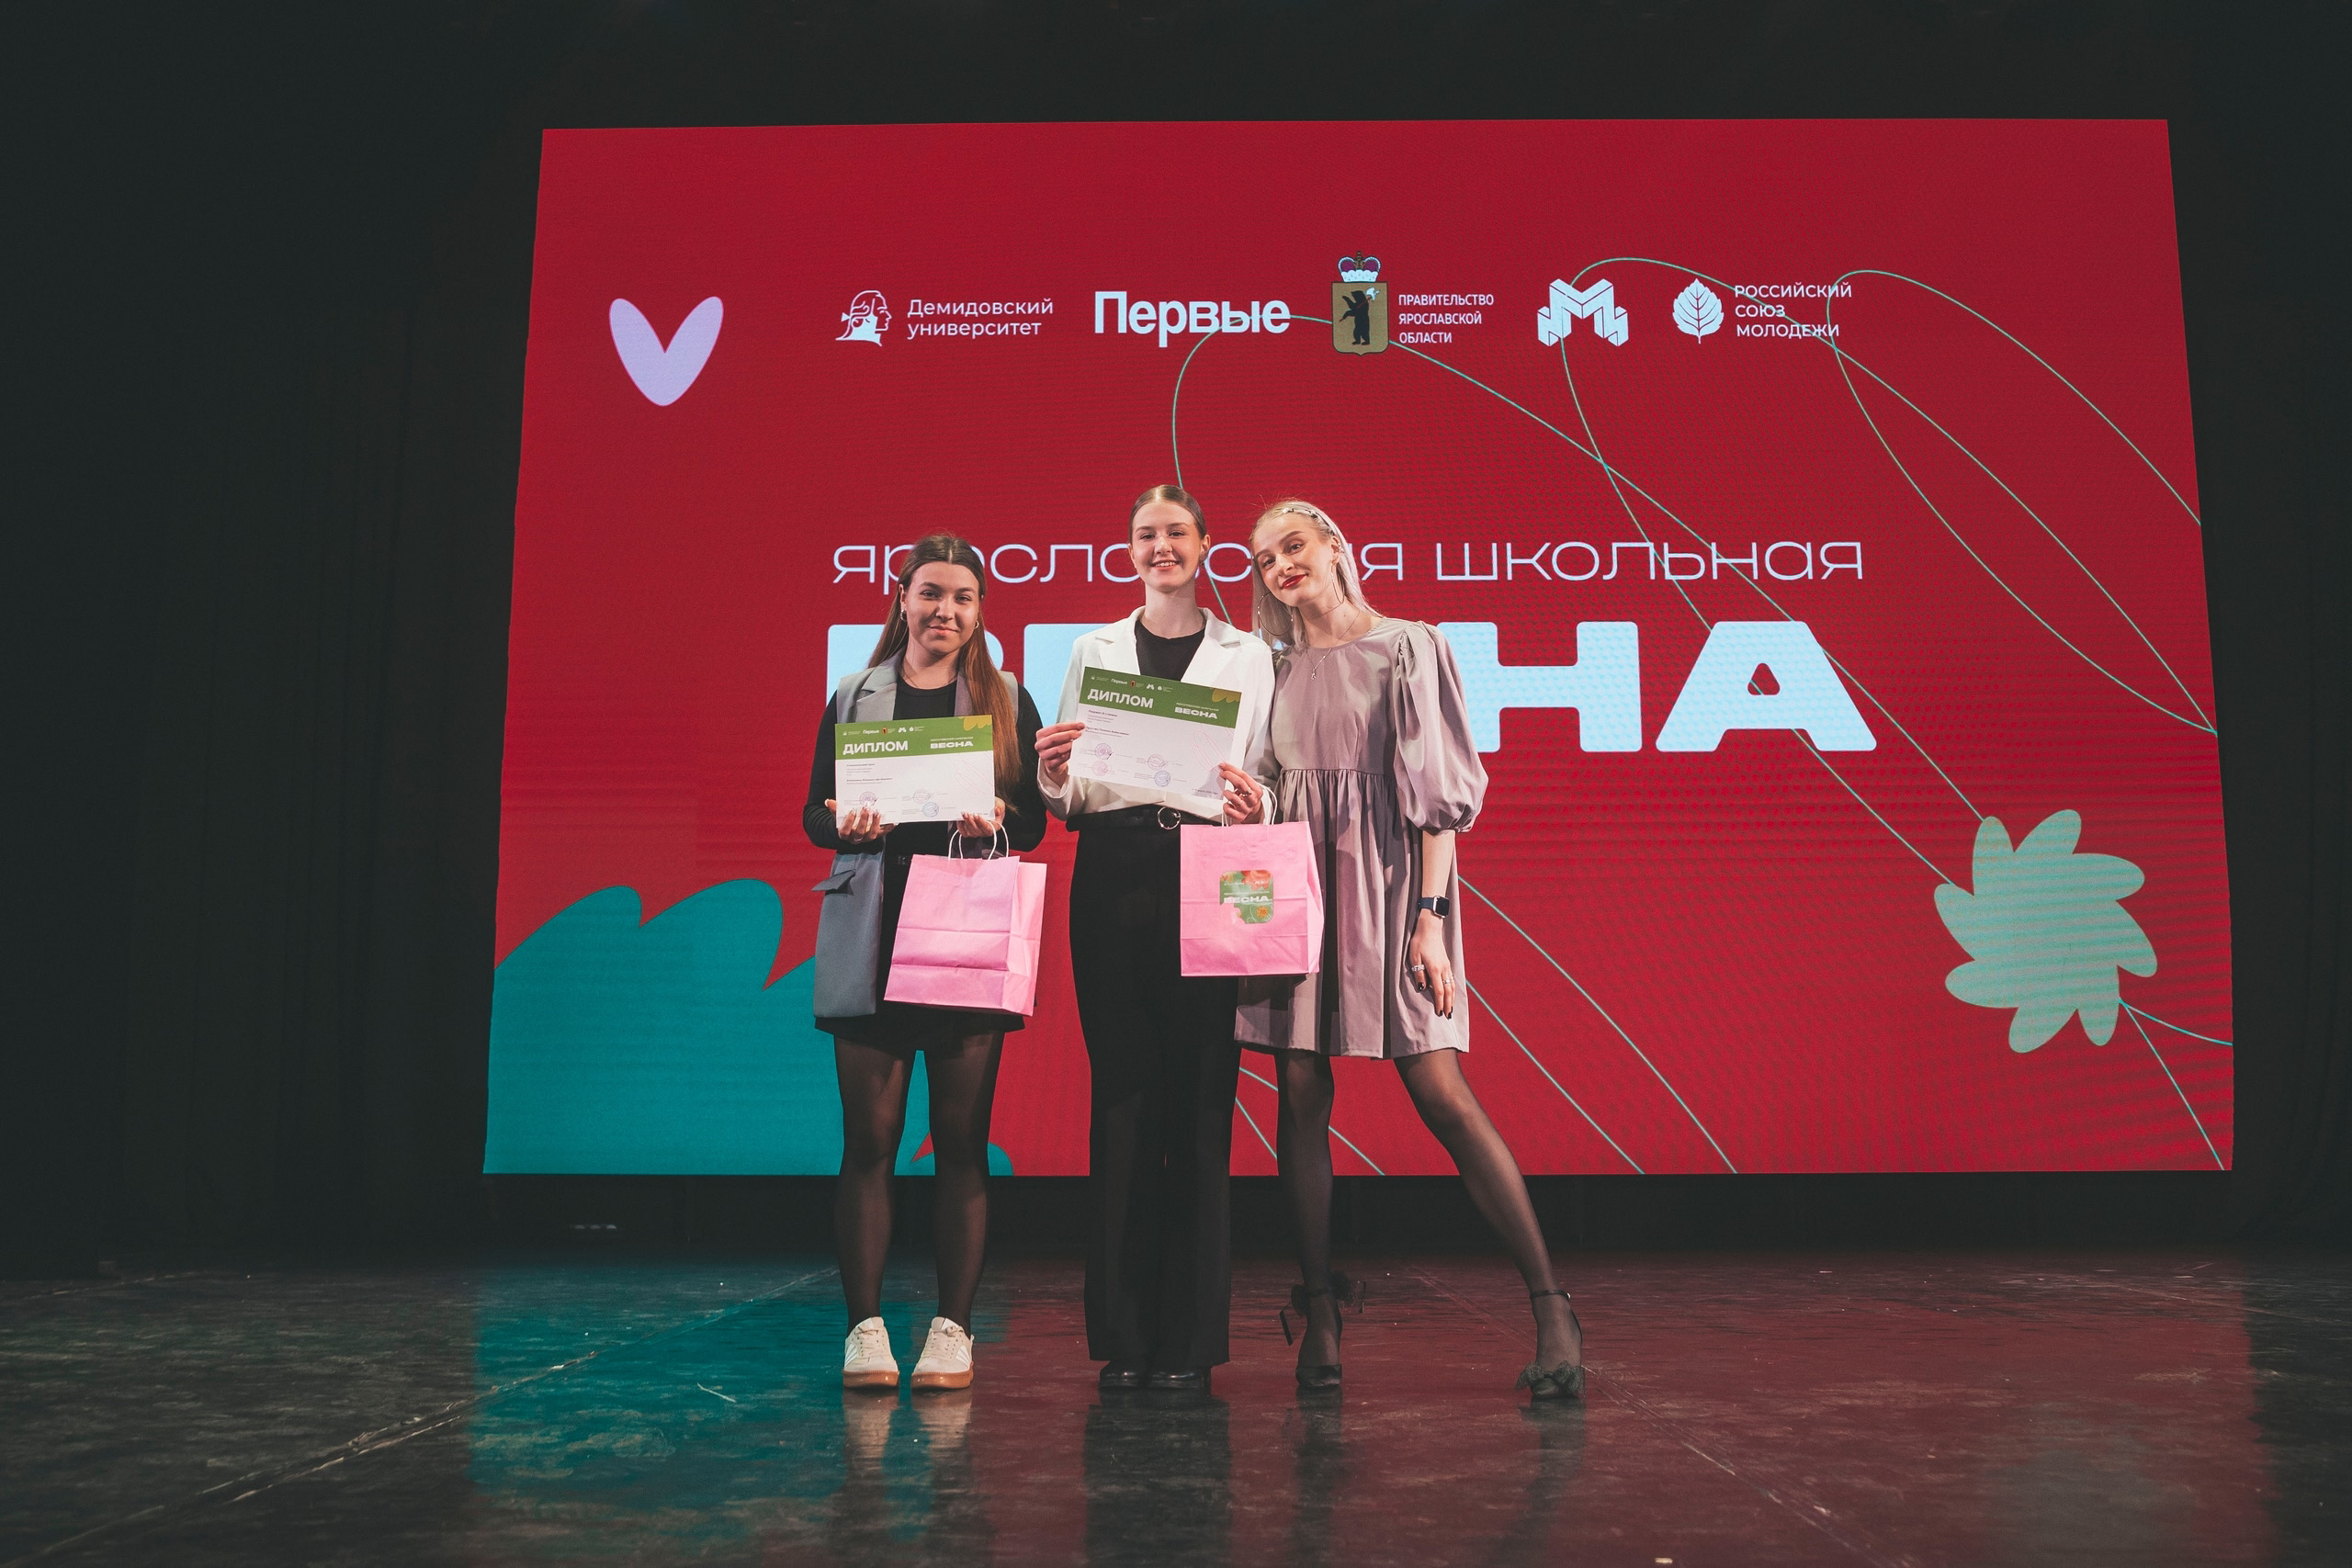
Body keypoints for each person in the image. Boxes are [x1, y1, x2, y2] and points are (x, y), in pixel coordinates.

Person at [1240, 499, 1584, 1399]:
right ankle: (1320, 1309)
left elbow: (1439, 803)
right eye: (1264, 558)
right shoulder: (1266, 668)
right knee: (1301, 1090)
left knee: (1440, 1091)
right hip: (1297, 889)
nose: (1281, 565)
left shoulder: (1409, 646)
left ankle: (1551, 1306)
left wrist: (1430, 919)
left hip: (1394, 891)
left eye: (1293, 545)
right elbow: (1267, 788)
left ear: (1335, 545)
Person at [1035, 484, 1276, 1393]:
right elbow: (1072, 792)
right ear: (1128, 549)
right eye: (1145, 534)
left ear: (1206, 545)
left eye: (1175, 532)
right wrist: (1052, 774)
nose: (1159, 546)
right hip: (1113, 870)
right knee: (1123, 1102)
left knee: (1204, 1105)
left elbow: (1266, 770)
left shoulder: (1249, 656)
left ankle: (1191, 1344)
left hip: (1213, 869)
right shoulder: (1092, 651)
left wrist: (1260, 805)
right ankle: (1126, 1340)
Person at [804, 533, 1046, 1393]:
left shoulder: (1007, 698)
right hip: (870, 930)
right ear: (902, 598)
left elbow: (1033, 822)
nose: (946, 610)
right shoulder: (854, 693)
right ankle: (864, 1330)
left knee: (961, 1143)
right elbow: (814, 815)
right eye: (931, 593)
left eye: (963, 597)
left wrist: (998, 822)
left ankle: (953, 1329)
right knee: (868, 1143)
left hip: (961, 934)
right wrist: (844, 822)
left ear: (980, 611)